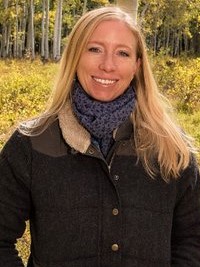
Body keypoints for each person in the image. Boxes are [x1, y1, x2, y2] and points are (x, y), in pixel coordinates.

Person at [0, 6, 200, 267]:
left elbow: (193, 239)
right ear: (74, 57)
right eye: (94, 49)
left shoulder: (171, 147)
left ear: (137, 65)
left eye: (123, 53)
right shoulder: (31, 143)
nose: (107, 65)